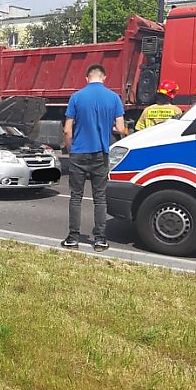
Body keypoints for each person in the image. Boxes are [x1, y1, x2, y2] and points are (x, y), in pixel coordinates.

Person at [61, 64, 126, 252]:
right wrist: (108, 128)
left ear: (86, 78)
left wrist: (70, 150)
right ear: (104, 78)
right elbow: (120, 129)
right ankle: (99, 240)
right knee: (99, 198)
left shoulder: (76, 97)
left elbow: (67, 130)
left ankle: (73, 238)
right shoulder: (114, 98)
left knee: (75, 197)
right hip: (101, 154)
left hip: (79, 154)